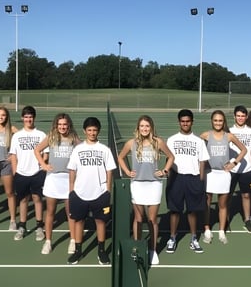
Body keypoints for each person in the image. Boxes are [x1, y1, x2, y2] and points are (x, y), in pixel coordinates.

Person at [117, 115, 174, 265]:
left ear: (151, 127)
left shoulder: (158, 142)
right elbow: (120, 157)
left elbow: (171, 157)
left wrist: (165, 171)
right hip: (137, 184)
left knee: (152, 219)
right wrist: (127, 172)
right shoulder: (132, 143)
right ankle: (137, 246)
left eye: (147, 126)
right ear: (138, 127)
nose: (144, 129)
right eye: (142, 126)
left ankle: (152, 250)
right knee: (138, 218)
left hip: (154, 184)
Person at [66, 117, 116, 265]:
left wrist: (107, 190)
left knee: (100, 222)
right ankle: (78, 251)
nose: (92, 133)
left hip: (100, 193)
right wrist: (71, 190)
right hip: (79, 193)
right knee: (79, 221)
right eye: (89, 130)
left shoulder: (104, 150)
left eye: (94, 130)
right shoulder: (78, 149)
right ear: (84, 131)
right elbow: (72, 170)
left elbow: (109, 171)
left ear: (98, 131)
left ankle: (101, 251)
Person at [34, 113, 80, 255]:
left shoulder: (74, 139)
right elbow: (36, 150)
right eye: (59, 125)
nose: (62, 127)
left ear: (69, 125)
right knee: (50, 212)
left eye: (64, 124)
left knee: (70, 213)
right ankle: (48, 242)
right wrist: (44, 164)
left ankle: (73, 240)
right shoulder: (51, 137)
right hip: (53, 179)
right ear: (56, 125)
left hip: (69, 180)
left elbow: (82, 151)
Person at [165, 109, 209, 254]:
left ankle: (193, 238)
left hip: (193, 178)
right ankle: (172, 237)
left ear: (192, 122)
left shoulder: (199, 141)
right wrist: (169, 177)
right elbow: (168, 160)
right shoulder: (171, 140)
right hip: (176, 178)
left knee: (192, 211)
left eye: (188, 121)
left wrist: (201, 180)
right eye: (182, 121)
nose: (185, 123)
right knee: (174, 210)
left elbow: (202, 162)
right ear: (179, 122)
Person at [199, 110, 246, 245]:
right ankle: (207, 230)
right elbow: (197, 149)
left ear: (223, 121)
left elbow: (243, 150)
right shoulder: (205, 135)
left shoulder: (229, 136)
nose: (218, 123)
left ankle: (221, 232)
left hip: (224, 174)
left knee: (223, 204)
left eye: (220, 120)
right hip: (209, 173)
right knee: (207, 203)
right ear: (211, 121)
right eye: (215, 120)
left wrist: (234, 163)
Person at [9, 105, 47, 241]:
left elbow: (46, 155)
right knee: (23, 200)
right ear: (22, 118)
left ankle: (39, 227)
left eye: (30, 117)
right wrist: (15, 172)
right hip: (21, 174)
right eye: (26, 117)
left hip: (37, 173)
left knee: (37, 199)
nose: (28, 119)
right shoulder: (17, 136)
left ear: (34, 118)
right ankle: (22, 227)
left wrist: (42, 167)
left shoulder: (41, 134)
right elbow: (13, 155)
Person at [228, 105, 251, 233]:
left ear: (246, 117)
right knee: (227, 196)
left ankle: (247, 220)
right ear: (234, 116)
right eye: (238, 116)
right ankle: (225, 220)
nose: (240, 118)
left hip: (247, 170)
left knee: (246, 195)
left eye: (243, 116)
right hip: (231, 170)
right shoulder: (229, 131)